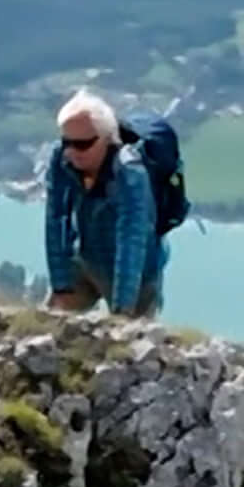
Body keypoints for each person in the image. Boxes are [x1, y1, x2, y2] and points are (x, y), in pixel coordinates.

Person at [41, 87, 162, 318]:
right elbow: (55, 219)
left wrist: (123, 309)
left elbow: (132, 238)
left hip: (136, 275)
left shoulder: (129, 172)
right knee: (50, 323)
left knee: (131, 337)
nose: (72, 152)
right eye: (67, 142)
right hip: (85, 258)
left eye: (83, 144)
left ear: (106, 139)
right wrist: (60, 285)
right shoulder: (61, 159)